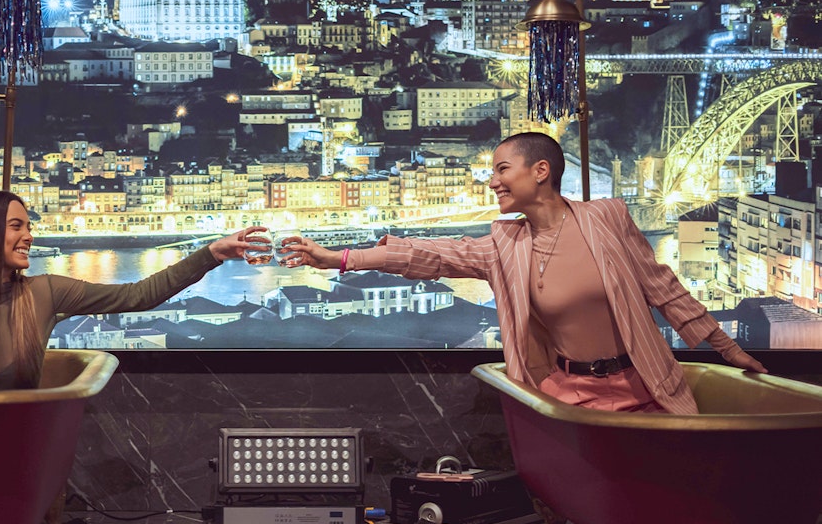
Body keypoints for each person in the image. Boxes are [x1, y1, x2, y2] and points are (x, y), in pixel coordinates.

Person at [283, 132, 765, 414]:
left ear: (540, 171)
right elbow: (426, 256)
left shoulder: (608, 218)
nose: (492, 181)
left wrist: (731, 351)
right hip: (565, 396)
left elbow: (667, 291)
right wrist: (338, 259)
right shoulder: (503, 245)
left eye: (501, 169)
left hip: (645, 387)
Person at [0, 190, 267, 389]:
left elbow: (137, 295)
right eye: (17, 226)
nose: (29, 236)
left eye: (29, 226)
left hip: (22, 443)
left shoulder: (44, 292)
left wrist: (211, 253)